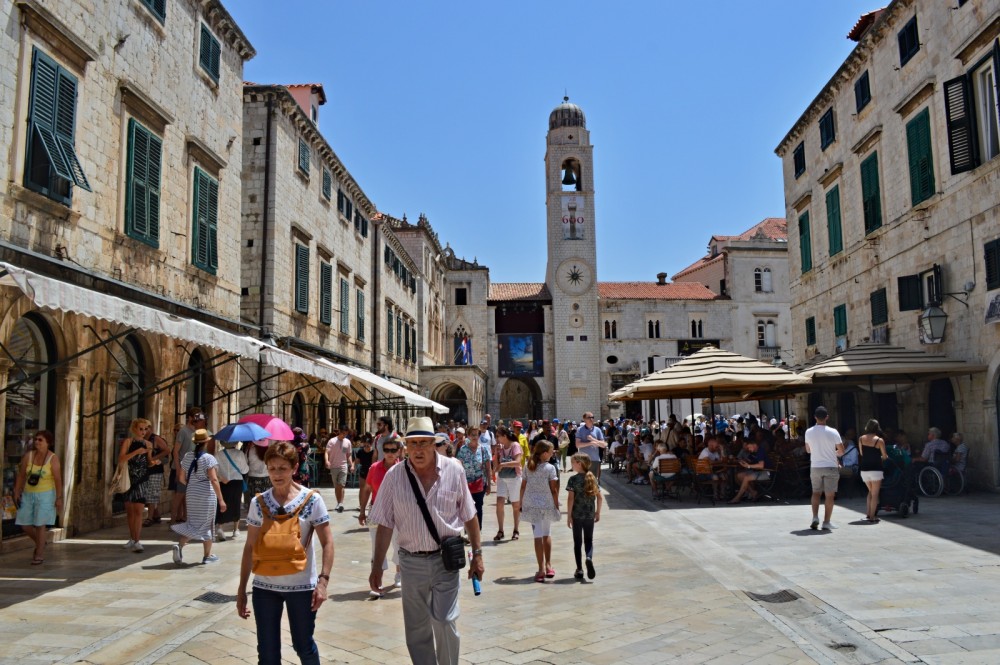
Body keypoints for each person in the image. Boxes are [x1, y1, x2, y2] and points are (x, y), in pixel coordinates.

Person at [367, 416, 484, 665]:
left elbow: (469, 515)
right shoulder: (394, 476)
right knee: (417, 628)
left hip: (445, 561)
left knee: (444, 620)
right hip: (410, 562)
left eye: (424, 443)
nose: (418, 449)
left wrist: (478, 555)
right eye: (413, 443)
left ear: (434, 444)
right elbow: (385, 524)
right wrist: (377, 566)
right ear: (405, 447)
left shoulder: (454, 470)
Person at [237, 442, 334, 665]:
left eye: (282, 468)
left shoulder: (312, 500)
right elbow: (250, 546)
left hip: (302, 588)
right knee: (267, 653)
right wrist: (242, 589)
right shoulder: (258, 502)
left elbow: (328, 542)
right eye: (272, 468)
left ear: (294, 467)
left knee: (303, 646)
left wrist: (323, 582)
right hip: (264, 587)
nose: (276, 474)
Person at [171, 429, 226, 564]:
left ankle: (180, 545)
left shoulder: (187, 456)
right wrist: (221, 499)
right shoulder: (209, 458)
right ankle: (207, 556)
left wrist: (192, 484)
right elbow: (214, 479)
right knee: (207, 523)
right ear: (206, 442)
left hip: (191, 493)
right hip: (206, 493)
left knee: (193, 522)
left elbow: (181, 478)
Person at [359, 436, 402, 597]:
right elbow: (367, 489)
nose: (389, 453)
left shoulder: (403, 469)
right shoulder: (374, 468)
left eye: (393, 450)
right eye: (386, 450)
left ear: (398, 451)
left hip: (397, 512)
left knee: (398, 544)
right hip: (376, 511)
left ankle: (399, 574)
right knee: (376, 547)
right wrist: (362, 511)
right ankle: (378, 582)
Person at [14, 430, 62, 565]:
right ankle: (40, 542)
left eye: (40, 440)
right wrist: (17, 491)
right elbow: (21, 475)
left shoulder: (53, 458)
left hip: (46, 495)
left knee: (40, 524)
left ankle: (39, 553)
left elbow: (58, 479)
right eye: (36, 439)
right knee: (24, 524)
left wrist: (59, 498)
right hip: (28, 494)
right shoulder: (28, 456)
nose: (37, 442)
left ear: (48, 443)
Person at [519, 440, 561, 582]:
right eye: (551, 452)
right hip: (546, 504)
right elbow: (554, 489)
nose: (552, 454)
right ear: (544, 453)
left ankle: (541, 569)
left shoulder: (528, 466)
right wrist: (556, 505)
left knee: (537, 535)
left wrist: (521, 503)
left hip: (531, 504)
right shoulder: (550, 468)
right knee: (546, 533)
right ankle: (548, 565)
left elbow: (523, 486)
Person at [119, 418, 155, 552]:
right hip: (129, 479)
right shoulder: (128, 442)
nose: (143, 432)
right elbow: (121, 459)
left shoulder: (148, 444)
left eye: (146, 429)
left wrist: (154, 462)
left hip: (142, 479)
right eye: (141, 429)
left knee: (139, 511)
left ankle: (137, 540)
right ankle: (132, 538)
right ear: (134, 429)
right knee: (130, 512)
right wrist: (136, 452)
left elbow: (149, 461)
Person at [805, 406, 844, 530]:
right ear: (827, 417)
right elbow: (841, 451)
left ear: (815, 417)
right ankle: (826, 522)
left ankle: (815, 517)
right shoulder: (833, 432)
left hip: (815, 466)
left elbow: (808, 450)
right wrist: (833, 453)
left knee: (816, 493)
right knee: (829, 495)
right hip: (831, 466)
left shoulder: (808, 432)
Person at [566, 452, 601, 581]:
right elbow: (600, 497)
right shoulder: (592, 478)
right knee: (589, 540)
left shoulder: (573, 479)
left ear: (579, 464)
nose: (572, 465)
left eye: (573, 463)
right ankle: (589, 557)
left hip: (577, 515)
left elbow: (570, 499)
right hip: (589, 515)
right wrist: (598, 512)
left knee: (577, 542)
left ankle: (579, 569)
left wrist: (569, 515)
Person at [171, 407, 205, 524]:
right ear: (190, 417)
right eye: (196, 417)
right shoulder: (183, 431)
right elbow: (176, 451)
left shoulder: (200, 431)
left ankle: (187, 519)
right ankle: (172, 520)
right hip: (183, 467)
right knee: (179, 495)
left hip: (195, 467)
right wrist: (178, 469)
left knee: (191, 495)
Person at [455, 423, 491, 530]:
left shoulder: (483, 449)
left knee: (478, 507)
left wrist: (489, 485)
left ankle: (478, 531)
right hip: (466, 485)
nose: (475, 437)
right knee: (467, 508)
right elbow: (458, 467)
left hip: (480, 484)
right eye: (473, 434)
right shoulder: (463, 450)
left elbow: (488, 468)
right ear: (468, 435)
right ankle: (468, 532)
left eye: (477, 434)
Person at [215, 437, 249, 541]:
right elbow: (244, 470)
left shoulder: (218, 454)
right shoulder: (240, 454)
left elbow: (215, 469)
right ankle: (235, 529)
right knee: (236, 503)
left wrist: (221, 477)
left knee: (222, 504)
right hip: (236, 481)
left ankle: (220, 527)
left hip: (223, 481)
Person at [493, 425, 522, 541]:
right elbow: (496, 467)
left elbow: (518, 462)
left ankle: (516, 530)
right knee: (499, 503)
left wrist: (503, 464)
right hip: (502, 478)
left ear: (504, 436)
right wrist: (496, 452)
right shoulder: (500, 448)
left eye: (498, 436)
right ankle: (500, 530)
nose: (496, 439)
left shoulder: (515, 445)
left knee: (515, 505)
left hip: (514, 478)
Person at [858, 419, 888, 523]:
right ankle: (872, 517)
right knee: (875, 494)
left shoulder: (861, 439)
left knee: (870, 492)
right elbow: (884, 456)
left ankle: (868, 514)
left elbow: (862, 453)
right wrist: (883, 457)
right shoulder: (879, 440)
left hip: (864, 469)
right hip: (876, 469)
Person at [143, 428, 170, 526]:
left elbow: (167, 451)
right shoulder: (141, 439)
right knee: (150, 493)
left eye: (146, 428)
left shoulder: (155, 438)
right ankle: (156, 515)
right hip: (145, 470)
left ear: (150, 428)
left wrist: (152, 458)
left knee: (151, 493)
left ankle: (149, 518)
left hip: (155, 470)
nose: (144, 430)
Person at [324, 427, 354, 513]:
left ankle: (341, 503)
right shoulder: (332, 441)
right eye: (343, 433)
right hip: (333, 466)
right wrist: (327, 461)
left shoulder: (347, 442)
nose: (344, 435)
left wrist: (351, 465)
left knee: (341, 485)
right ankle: (338, 503)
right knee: (337, 486)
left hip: (343, 466)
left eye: (346, 434)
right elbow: (326, 452)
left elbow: (349, 455)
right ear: (339, 432)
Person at [576, 412, 607, 484]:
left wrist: (593, 439)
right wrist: (590, 443)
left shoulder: (597, 430)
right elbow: (578, 445)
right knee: (583, 481)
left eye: (592, 417)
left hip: (594, 459)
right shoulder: (580, 430)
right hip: (583, 460)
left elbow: (603, 445)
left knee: (593, 482)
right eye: (589, 417)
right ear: (584, 419)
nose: (591, 419)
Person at [246, 440, 271, 505]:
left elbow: (245, 463)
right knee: (266, 500)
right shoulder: (269, 451)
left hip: (253, 479)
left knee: (254, 501)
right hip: (267, 478)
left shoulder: (250, 450)